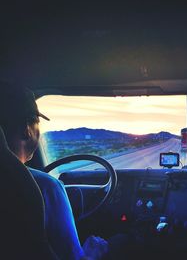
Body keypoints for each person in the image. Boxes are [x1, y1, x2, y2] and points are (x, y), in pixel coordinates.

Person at [0, 87, 108, 260]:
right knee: (120, 241)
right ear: (27, 128)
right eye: (38, 123)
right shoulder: (45, 187)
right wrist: (92, 253)